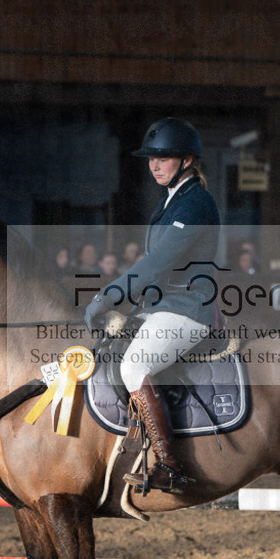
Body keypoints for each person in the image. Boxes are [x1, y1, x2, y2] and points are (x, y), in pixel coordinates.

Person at [85, 117, 220, 495]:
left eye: (164, 158)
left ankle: (168, 464)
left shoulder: (195, 204)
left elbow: (157, 263)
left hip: (187, 309)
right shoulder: (170, 201)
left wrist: (109, 296)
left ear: (188, 160)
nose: (155, 165)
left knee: (134, 364)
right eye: (151, 159)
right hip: (161, 306)